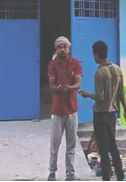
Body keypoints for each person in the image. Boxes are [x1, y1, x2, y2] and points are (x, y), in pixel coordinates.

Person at [79, 40, 126, 181]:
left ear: (96, 54)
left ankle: (106, 178)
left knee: (103, 148)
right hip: (112, 114)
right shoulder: (117, 69)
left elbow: (100, 97)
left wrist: (87, 94)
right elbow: (121, 93)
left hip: (100, 114)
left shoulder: (100, 72)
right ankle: (120, 177)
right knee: (113, 147)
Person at [47, 36, 82, 182]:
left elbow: (78, 83)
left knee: (71, 144)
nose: (62, 49)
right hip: (57, 110)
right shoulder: (52, 64)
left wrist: (70, 87)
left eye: (65, 47)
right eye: (59, 47)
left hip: (72, 110)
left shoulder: (76, 63)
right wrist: (59, 88)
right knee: (55, 144)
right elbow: (51, 85)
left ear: (69, 48)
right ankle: (52, 172)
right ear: (56, 49)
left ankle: (70, 174)